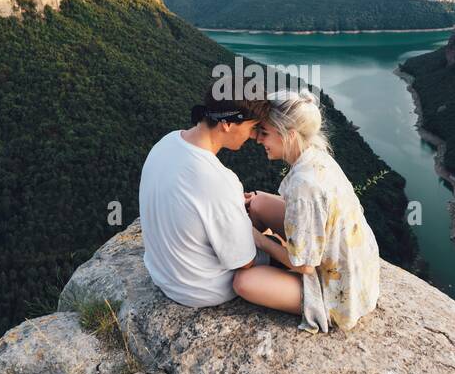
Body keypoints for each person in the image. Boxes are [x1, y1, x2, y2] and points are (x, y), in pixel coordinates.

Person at [234, 90, 381, 332]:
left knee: (243, 283)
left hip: (337, 294)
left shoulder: (305, 186)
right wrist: (259, 201)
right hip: (357, 273)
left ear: (289, 135)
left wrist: (258, 239)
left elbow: (304, 266)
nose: (258, 139)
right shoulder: (315, 156)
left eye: (265, 133)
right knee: (258, 203)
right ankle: (261, 258)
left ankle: (253, 258)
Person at [138, 91, 270, 307]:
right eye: (252, 128)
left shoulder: (166, 142)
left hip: (163, 275)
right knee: (276, 250)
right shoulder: (219, 180)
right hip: (202, 288)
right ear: (227, 124)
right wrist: (267, 241)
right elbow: (244, 262)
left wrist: (230, 206)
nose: (254, 137)